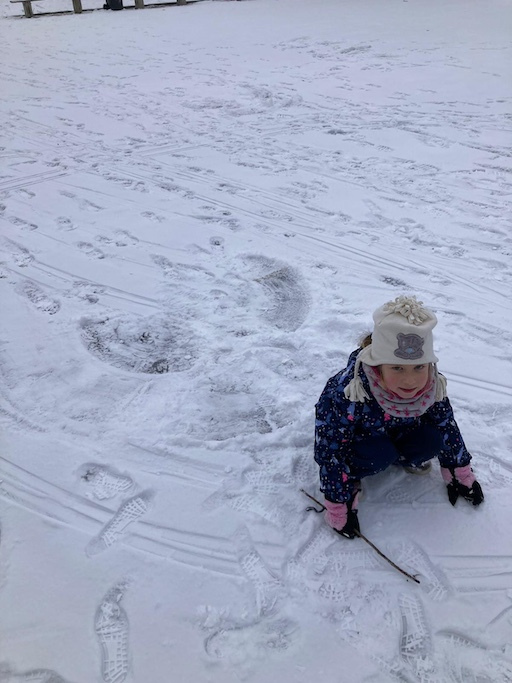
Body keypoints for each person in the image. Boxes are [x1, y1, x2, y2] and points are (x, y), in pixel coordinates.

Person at [314, 295, 484, 539]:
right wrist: (337, 504)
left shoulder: (431, 384)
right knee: (380, 454)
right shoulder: (350, 391)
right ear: (378, 366)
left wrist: (460, 472)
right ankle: (355, 475)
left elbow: (445, 423)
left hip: (400, 430)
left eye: (419, 367)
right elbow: (331, 451)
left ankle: (401, 456)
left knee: (431, 440)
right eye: (397, 368)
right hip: (363, 443)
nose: (410, 380)